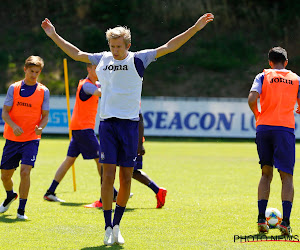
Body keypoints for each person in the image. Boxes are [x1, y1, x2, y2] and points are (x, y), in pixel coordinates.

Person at [41, 13, 214, 245]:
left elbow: (169, 46)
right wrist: (54, 35)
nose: (115, 50)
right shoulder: (102, 59)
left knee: (126, 178)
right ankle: (107, 226)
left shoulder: (138, 59)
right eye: (112, 46)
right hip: (108, 126)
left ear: (128, 45)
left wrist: (195, 27)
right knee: (107, 176)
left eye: (119, 46)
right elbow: (77, 53)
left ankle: (118, 226)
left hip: (130, 126)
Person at [42, 64, 115, 203]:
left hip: (79, 128)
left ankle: (50, 191)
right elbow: (101, 92)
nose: (99, 72)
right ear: (89, 69)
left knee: (69, 161)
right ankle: (109, 194)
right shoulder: (87, 85)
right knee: (101, 160)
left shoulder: (94, 83)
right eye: (96, 68)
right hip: (83, 129)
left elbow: (102, 86)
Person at [248, 46, 300, 236]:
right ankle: (285, 223)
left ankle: (261, 219)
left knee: (265, 174)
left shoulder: (263, 76)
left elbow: (252, 98)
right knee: (287, 177)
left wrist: (257, 115)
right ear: (286, 62)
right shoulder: (296, 79)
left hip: (264, 128)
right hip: (284, 129)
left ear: (270, 62)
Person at [0, 56, 49, 220]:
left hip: (31, 139)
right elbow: (5, 113)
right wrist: (14, 126)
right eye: (31, 71)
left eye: (37, 72)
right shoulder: (13, 88)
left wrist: (41, 128)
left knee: (25, 171)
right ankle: (10, 195)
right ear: (25, 69)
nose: (34, 75)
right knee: (5, 176)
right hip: (12, 139)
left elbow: (45, 116)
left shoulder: (44, 91)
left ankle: (21, 210)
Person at [85, 112, 167, 209]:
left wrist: (139, 143)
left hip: (131, 140)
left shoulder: (131, 99)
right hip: (125, 137)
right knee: (116, 169)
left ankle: (104, 200)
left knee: (127, 171)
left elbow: (139, 117)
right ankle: (157, 190)